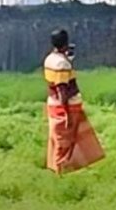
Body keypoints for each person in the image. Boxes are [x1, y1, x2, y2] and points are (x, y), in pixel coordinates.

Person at [43, 28, 104, 174]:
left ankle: (65, 171)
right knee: (64, 143)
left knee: (61, 140)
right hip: (66, 107)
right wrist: (67, 116)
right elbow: (62, 90)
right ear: (66, 42)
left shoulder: (50, 59)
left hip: (54, 104)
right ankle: (61, 174)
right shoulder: (61, 64)